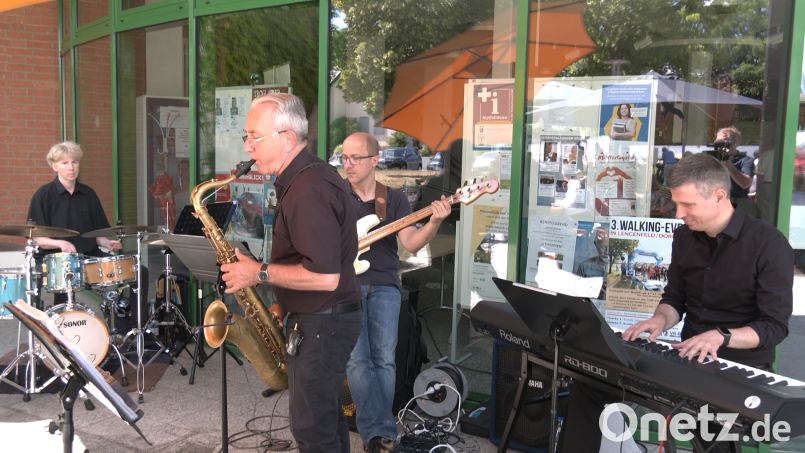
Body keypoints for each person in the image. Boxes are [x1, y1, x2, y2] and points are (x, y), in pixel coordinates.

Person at [558, 153, 794, 453]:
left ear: (719, 196)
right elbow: (674, 299)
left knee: (713, 436)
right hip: (687, 361)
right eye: (677, 203)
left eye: (688, 204)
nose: (679, 213)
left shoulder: (769, 244)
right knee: (589, 385)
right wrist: (659, 320)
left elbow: (774, 327)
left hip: (738, 369)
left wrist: (721, 336)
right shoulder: (684, 236)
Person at [219, 93, 362, 453]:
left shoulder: (308, 190)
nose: (247, 147)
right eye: (247, 137)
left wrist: (257, 273)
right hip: (321, 319)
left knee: (312, 431)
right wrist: (283, 304)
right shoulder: (306, 180)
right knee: (325, 423)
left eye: (255, 136)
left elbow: (325, 276)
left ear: (287, 139)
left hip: (323, 324)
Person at [340, 132, 450, 452]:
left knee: (385, 360)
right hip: (347, 286)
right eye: (345, 157)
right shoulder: (335, 195)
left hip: (385, 285)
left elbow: (411, 243)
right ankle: (382, 435)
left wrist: (434, 222)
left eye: (356, 158)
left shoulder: (393, 199)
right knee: (357, 361)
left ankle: (378, 438)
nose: (348, 164)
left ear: (375, 160)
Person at [27, 141, 128, 307]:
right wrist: (61, 243)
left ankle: (131, 319)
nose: (71, 167)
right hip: (55, 260)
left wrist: (106, 243)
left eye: (74, 162)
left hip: (88, 258)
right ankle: (61, 318)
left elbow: (94, 234)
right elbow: (36, 239)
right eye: (64, 163)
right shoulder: (42, 196)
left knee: (139, 272)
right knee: (65, 287)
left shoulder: (89, 194)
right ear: (54, 166)